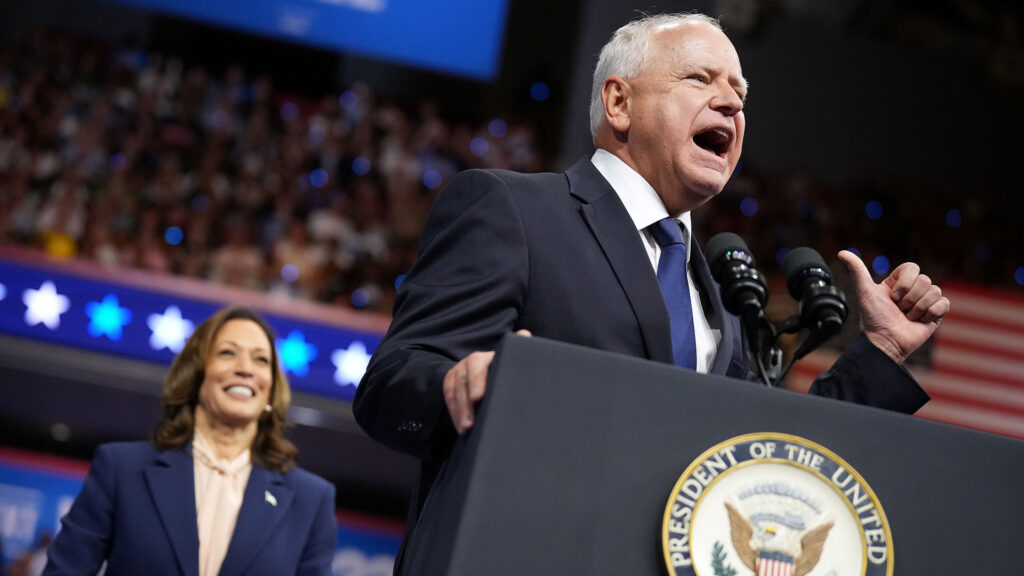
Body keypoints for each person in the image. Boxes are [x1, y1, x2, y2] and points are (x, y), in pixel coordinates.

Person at [353, 12, 949, 572]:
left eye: (741, 95)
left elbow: (777, 460)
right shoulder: (514, 210)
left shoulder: (719, 295)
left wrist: (884, 353)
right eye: (700, 78)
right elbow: (390, 386)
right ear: (619, 102)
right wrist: (460, 384)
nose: (731, 103)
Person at [44, 307, 337, 576]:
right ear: (196, 374)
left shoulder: (310, 500)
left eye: (261, 359)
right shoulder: (121, 469)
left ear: (271, 390)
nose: (246, 369)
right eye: (227, 353)